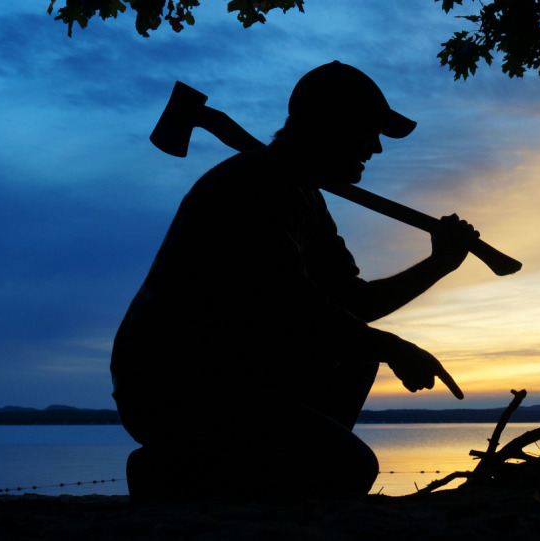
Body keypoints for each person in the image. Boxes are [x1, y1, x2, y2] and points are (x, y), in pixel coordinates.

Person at [111, 61, 479, 500]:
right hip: (171, 382)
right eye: (369, 132)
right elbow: (293, 308)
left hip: (235, 373)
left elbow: (352, 303)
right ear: (331, 126)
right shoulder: (252, 187)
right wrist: (394, 347)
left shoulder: (305, 200)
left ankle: (253, 475)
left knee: (356, 358)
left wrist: (438, 264)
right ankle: (173, 469)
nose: (376, 149)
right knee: (351, 466)